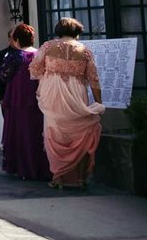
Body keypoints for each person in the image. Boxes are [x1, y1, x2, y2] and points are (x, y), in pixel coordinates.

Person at [30, 18, 105, 190]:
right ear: (77, 32)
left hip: (53, 95)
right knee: (81, 135)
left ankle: (58, 178)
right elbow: (94, 79)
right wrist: (99, 102)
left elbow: (34, 69)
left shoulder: (48, 47)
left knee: (55, 135)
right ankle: (80, 180)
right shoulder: (85, 51)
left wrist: (50, 75)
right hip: (76, 95)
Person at [0, 23, 51, 180]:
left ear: (17, 39)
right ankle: (39, 167)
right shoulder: (40, 54)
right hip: (37, 99)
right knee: (36, 132)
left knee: (19, 133)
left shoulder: (16, 56)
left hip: (18, 99)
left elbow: (2, 75)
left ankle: (22, 168)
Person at [0, 28, 20, 103]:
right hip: (8, 95)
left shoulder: (28, 53)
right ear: (9, 39)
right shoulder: (1, 55)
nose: (17, 40)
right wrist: (0, 97)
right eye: (14, 37)